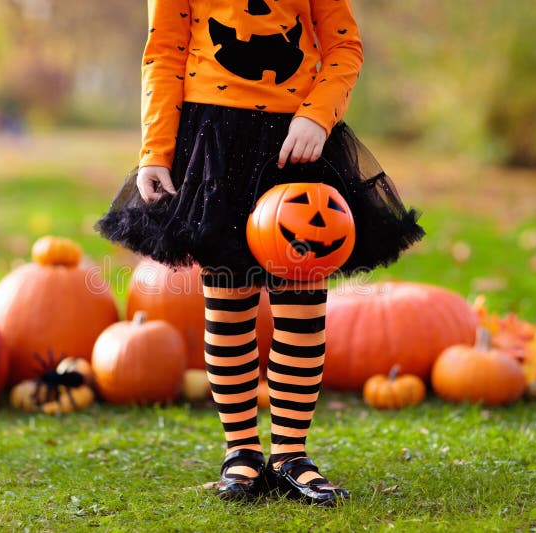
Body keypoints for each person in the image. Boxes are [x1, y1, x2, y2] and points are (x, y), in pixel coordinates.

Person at [96, 0, 425, 506]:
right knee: (229, 308)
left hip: (299, 146)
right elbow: (163, 53)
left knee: (301, 309)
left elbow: (343, 45)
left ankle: (291, 453)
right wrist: (155, 151)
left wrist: (317, 116)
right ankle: (242, 451)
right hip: (214, 151)